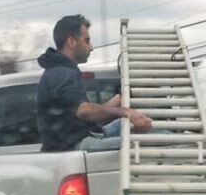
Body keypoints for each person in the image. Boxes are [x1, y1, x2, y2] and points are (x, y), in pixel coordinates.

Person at [36, 14, 152, 152]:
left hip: (79, 136)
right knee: (158, 138)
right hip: (74, 146)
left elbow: (75, 113)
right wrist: (126, 112)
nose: (91, 47)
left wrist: (113, 103)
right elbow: (84, 111)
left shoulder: (60, 71)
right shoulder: (62, 73)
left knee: (124, 125)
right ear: (71, 42)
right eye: (87, 41)